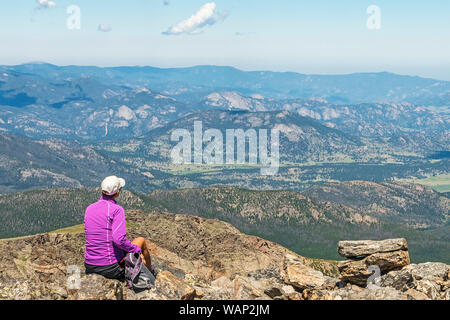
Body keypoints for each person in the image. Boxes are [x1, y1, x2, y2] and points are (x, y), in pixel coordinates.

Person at [84, 175, 153, 281]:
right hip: (110, 268)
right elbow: (118, 240)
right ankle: (150, 274)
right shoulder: (116, 210)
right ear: (117, 193)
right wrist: (136, 250)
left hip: (89, 266)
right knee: (141, 241)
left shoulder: (89, 208)